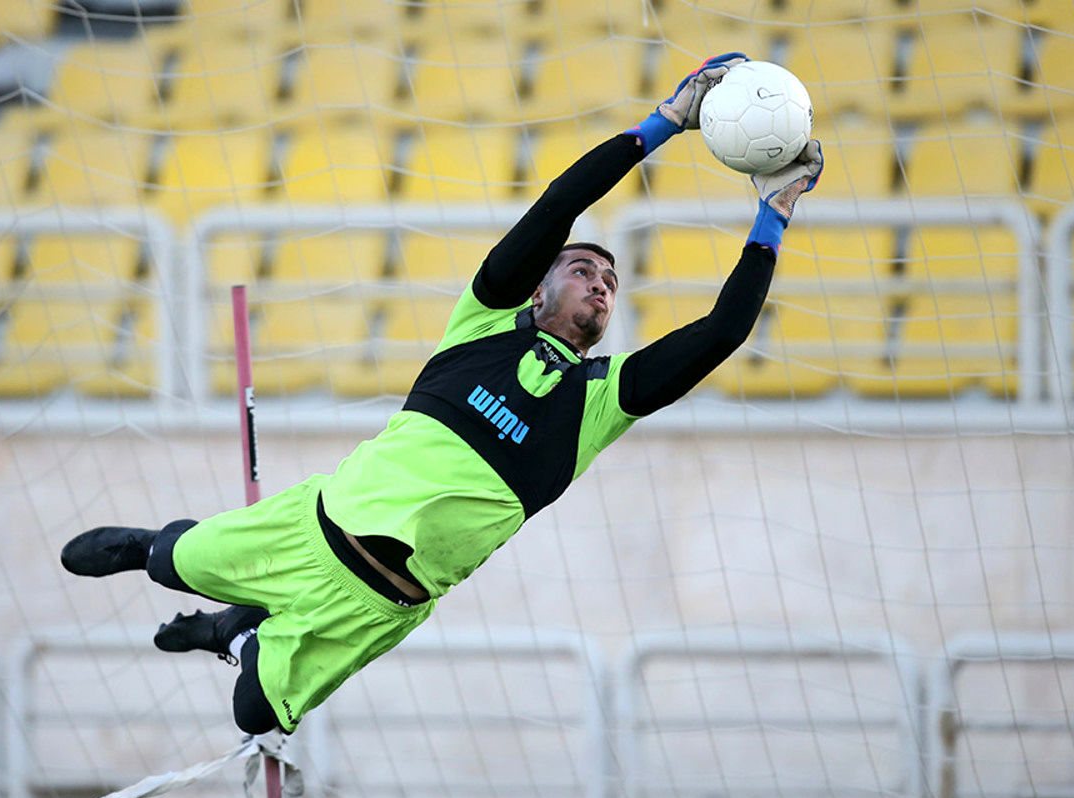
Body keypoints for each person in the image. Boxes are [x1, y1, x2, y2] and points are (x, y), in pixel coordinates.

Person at [60, 53, 824, 736]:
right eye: (582, 269)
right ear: (539, 285)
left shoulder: (600, 400)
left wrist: (773, 213)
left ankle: (237, 631)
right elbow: (558, 206)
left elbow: (722, 331)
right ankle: (171, 554)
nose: (599, 283)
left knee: (252, 716)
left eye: (611, 282)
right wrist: (665, 122)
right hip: (310, 527)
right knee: (154, 560)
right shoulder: (482, 322)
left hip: (381, 603)